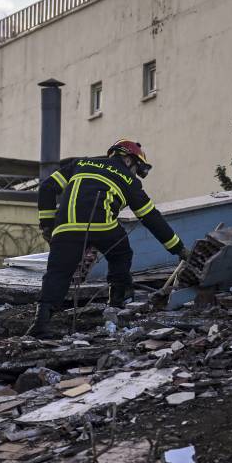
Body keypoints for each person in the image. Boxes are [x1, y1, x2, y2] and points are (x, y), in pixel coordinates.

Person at [30, 139, 188, 337]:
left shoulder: (80, 163)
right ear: (128, 160)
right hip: (103, 226)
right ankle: (117, 301)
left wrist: (47, 224)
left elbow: (47, 188)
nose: (134, 174)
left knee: (58, 273)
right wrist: (179, 249)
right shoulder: (129, 181)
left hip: (66, 227)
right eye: (136, 168)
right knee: (121, 253)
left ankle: (41, 323)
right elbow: (151, 218)